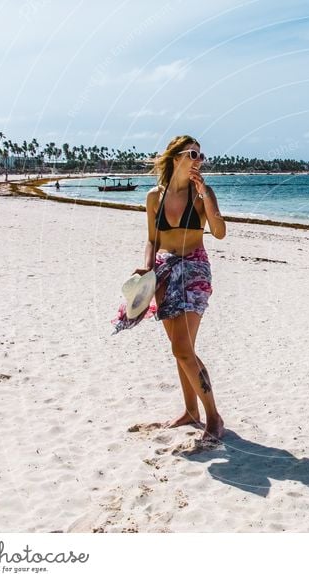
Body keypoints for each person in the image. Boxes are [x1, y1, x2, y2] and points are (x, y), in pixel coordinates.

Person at [112, 135, 226, 441]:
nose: (199, 160)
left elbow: (219, 232)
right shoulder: (154, 197)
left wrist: (207, 196)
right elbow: (153, 238)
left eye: (202, 156)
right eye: (193, 154)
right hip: (164, 271)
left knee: (182, 348)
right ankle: (191, 412)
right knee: (180, 349)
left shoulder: (202, 194)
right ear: (176, 157)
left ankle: (214, 417)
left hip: (195, 269)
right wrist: (147, 267)